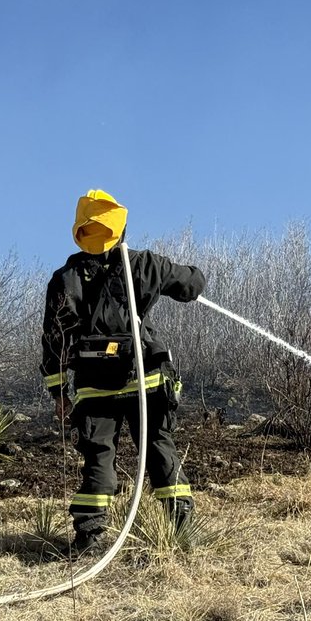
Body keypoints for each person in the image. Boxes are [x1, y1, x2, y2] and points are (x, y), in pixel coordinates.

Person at [41, 189, 206, 554]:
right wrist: (189, 279)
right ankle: (181, 536)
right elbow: (192, 284)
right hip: (147, 381)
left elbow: (55, 340)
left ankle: (89, 539)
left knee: (98, 459)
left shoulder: (64, 279)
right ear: (121, 228)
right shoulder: (145, 265)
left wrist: (59, 393)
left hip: (95, 388)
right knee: (162, 451)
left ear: (81, 229)